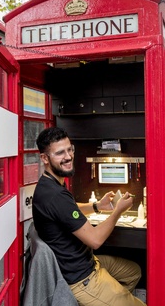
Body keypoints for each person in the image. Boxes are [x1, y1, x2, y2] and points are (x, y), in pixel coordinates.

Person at [33, 127, 146, 306]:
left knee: (134, 272)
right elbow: (95, 240)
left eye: (70, 149)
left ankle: (113, 299)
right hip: (82, 279)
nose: (68, 156)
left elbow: (69, 210)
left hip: (89, 262)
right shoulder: (55, 195)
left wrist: (97, 206)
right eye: (60, 153)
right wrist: (118, 210)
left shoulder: (49, 185)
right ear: (45, 158)